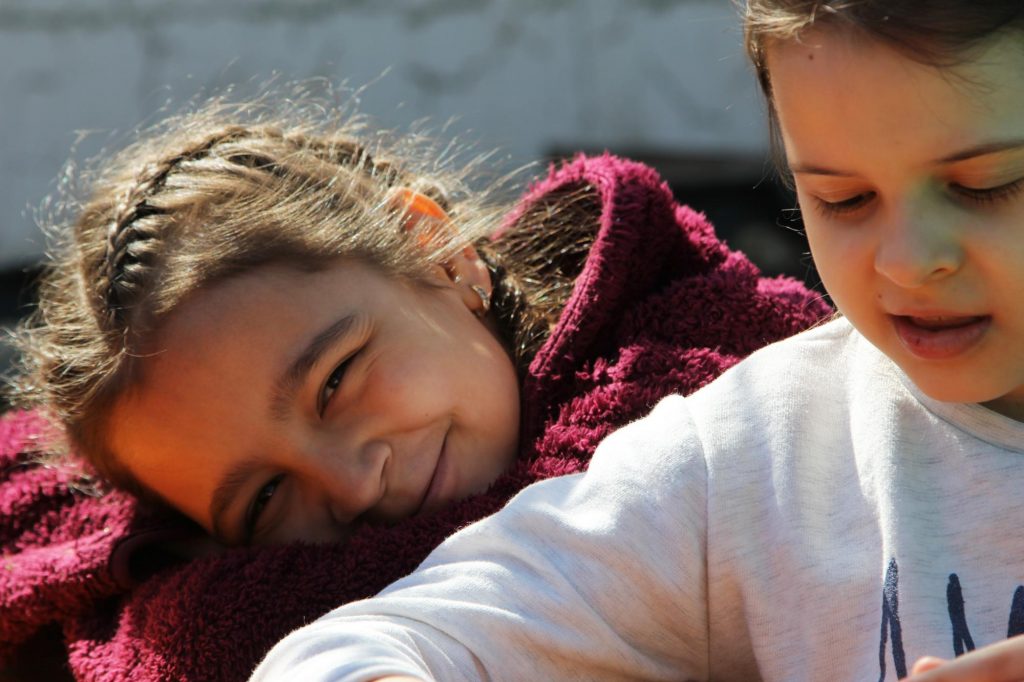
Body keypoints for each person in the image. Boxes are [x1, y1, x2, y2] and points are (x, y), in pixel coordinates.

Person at [248, 1, 1024, 680]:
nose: (908, 262)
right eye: (843, 198)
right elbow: (359, 645)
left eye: (986, 184)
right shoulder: (756, 455)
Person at [0, 89, 827, 678]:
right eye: (264, 500)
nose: (354, 485)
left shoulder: (736, 393)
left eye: (334, 382)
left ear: (440, 250)